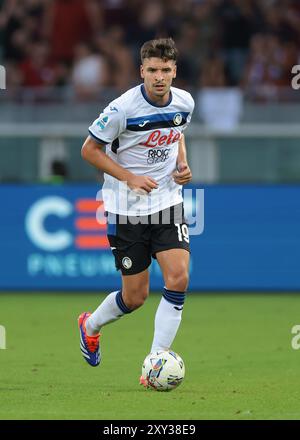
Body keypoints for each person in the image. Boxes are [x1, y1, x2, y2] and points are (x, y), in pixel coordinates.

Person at [78, 38, 194, 386]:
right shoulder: (122, 109)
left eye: (166, 70)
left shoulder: (185, 102)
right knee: (136, 297)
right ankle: (90, 325)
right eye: (153, 70)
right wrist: (129, 178)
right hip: (125, 210)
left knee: (179, 278)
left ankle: (155, 361)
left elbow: (177, 133)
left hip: (166, 202)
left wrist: (182, 163)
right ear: (141, 71)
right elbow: (89, 150)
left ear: (175, 71)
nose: (159, 77)